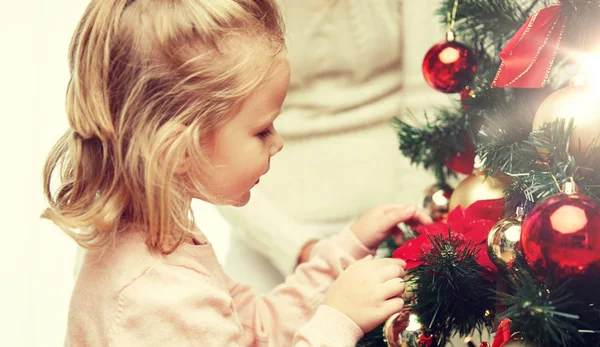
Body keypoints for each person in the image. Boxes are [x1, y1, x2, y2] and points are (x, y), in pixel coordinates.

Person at [42, 0, 432, 345]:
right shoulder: (151, 295)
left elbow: (257, 329)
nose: (277, 143)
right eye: (261, 130)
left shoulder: (166, 239)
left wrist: (344, 250)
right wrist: (337, 322)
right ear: (180, 150)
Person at [217, 0, 437, 282]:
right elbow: (204, 142)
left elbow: (432, 101)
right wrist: (297, 249)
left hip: (399, 219)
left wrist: (411, 233)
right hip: (265, 231)